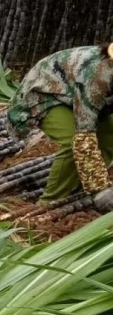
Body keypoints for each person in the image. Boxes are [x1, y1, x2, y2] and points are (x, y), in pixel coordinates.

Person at [7, 44, 113, 209]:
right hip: (45, 96)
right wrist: (100, 189)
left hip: (72, 95)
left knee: (109, 137)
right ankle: (49, 203)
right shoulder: (97, 74)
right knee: (73, 141)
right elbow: (84, 135)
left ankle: (78, 188)